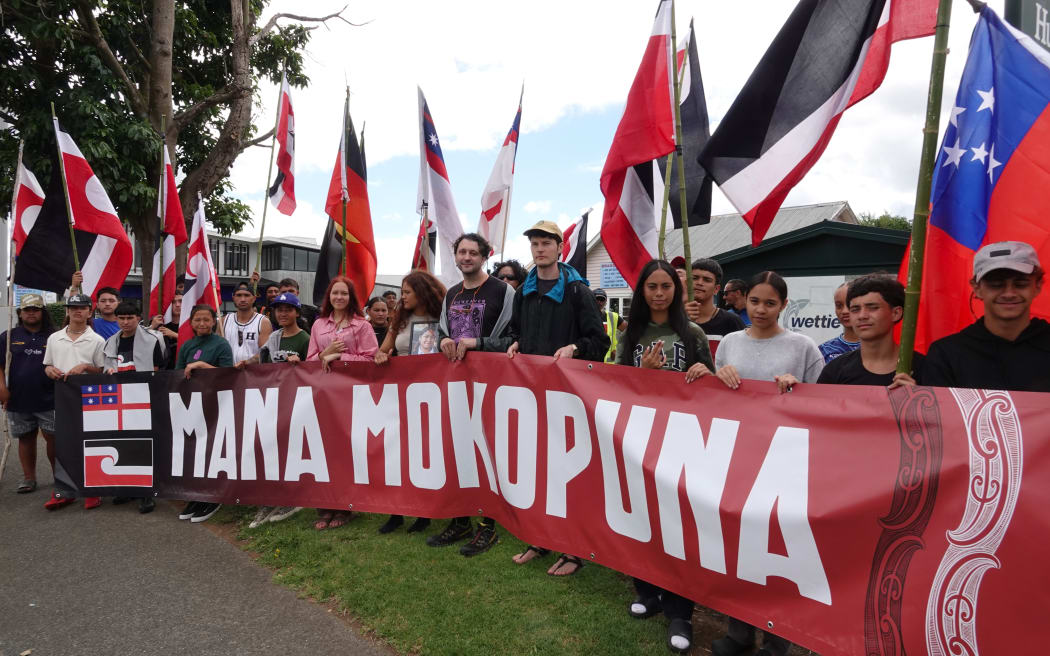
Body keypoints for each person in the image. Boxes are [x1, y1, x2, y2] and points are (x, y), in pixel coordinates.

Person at [703, 271, 821, 656]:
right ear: (744, 300)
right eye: (755, 301)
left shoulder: (804, 348)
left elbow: (826, 405)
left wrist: (799, 389)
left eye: (770, 303)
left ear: (784, 305)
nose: (761, 309)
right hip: (735, 459)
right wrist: (718, 376)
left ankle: (778, 640)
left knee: (777, 554)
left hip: (783, 462)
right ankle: (739, 631)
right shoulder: (730, 343)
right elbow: (716, 396)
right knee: (739, 549)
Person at [492, 220, 610, 576]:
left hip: (568, 398)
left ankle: (573, 550)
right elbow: (516, 331)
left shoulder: (577, 291)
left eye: (546, 243)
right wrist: (514, 341)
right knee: (537, 471)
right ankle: (541, 539)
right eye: (535, 244)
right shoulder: (525, 291)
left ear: (560, 247)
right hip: (531, 395)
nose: (540, 249)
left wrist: (575, 347)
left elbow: (599, 343)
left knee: (567, 475)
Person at [616, 260, 713, 654]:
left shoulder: (692, 332)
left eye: (666, 286)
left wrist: (703, 371)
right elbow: (616, 386)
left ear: (676, 290)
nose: (658, 293)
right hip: (640, 440)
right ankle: (648, 590)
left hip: (683, 442)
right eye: (651, 286)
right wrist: (643, 372)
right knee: (641, 516)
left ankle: (680, 610)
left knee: (678, 524)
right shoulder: (631, 333)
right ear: (641, 291)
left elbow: (713, 386)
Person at [429, 233, 516, 556]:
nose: (466, 257)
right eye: (461, 252)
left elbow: (514, 338)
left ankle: (488, 526)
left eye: (473, 252)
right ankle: (460, 518)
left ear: (485, 256)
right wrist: (442, 342)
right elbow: (441, 331)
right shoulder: (451, 293)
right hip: (455, 385)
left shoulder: (503, 291)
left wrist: (477, 343)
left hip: (490, 384)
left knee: (487, 455)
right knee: (456, 451)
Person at [374, 269, 447, 535]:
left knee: (423, 455)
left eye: (407, 292)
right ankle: (396, 512)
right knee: (397, 453)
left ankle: (424, 512)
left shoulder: (443, 318)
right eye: (401, 292)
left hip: (430, 395)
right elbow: (383, 351)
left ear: (422, 292)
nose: (402, 297)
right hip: (400, 395)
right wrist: (382, 356)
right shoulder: (400, 319)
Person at [923, 241, 1049, 391]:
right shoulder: (946, 355)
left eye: (1020, 284)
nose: (1009, 293)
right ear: (977, 288)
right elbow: (938, 413)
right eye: (996, 284)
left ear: (1038, 286)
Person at [308, 276, 378, 530]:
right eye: (335, 293)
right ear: (329, 297)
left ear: (351, 298)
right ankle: (324, 505)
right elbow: (309, 361)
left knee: (347, 451)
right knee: (325, 450)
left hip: (351, 395)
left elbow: (371, 361)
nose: (339, 297)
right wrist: (325, 355)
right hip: (324, 394)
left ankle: (346, 506)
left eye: (344, 294)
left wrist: (341, 356)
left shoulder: (362, 326)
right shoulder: (317, 325)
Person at [246, 291, 308, 528]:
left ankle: (292, 497)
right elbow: (262, 358)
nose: (282, 314)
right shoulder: (274, 337)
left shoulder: (304, 338)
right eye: (278, 310)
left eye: (288, 310)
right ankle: (272, 497)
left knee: (292, 447)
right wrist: (246, 363)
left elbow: (312, 369)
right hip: (273, 399)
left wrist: (299, 364)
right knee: (272, 447)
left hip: (297, 402)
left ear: (297, 313)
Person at [42, 293, 106, 511]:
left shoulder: (97, 340)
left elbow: (103, 371)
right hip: (62, 399)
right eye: (73, 307)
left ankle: (93, 491)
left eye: (82, 308)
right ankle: (64, 491)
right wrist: (49, 370)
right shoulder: (54, 338)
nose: (78, 311)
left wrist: (86, 367)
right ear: (67, 311)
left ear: (89, 311)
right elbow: (48, 365)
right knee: (64, 445)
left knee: (91, 444)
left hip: (89, 399)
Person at [102, 301, 164, 513]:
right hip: (120, 401)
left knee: (144, 447)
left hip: (144, 400)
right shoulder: (110, 342)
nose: (126, 322)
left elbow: (157, 370)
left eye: (130, 318)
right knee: (123, 444)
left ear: (138, 318)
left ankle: (147, 493)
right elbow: (107, 368)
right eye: (121, 318)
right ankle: (128, 488)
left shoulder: (153, 340)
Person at [174, 304, 233, 523]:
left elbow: (229, 375)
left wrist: (202, 365)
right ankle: (197, 494)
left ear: (213, 322)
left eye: (206, 320)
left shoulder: (221, 344)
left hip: (216, 403)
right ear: (191, 323)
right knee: (194, 450)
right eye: (197, 320)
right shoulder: (187, 345)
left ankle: (213, 495)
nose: (202, 324)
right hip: (192, 404)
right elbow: (177, 374)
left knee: (213, 448)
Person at [818, 275, 922, 387]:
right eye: (855, 309)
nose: (862, 316)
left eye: (872, 307)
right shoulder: (835, 369)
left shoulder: (925, 368)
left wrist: (917, 398)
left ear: (896, 313)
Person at [0, 294, 56, 495]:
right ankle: (29, 478)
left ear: (42, 312)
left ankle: (60, 477)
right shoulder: (8, 336)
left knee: (54, 438)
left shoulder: (55, 335)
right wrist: (2, 388)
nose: (31, 313)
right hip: (18, 398)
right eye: (27, 310)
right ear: (20, 313)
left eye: (35, 309)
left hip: (51, 398)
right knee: (25, 438)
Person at [684, 258, 745, 357]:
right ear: (687, 283)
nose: (699, 283)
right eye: (695, 278)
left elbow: (743, 360)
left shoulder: (732, 322)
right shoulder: (673, 319)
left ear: (716, 289)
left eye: (707, 280)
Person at [223, 281, 272, 369]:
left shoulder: (263, 322)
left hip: (253, 376)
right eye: (239, 295)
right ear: (233, 298)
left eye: (246, 295)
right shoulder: (224, 320)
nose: (242, 299)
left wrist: (247, 362)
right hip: (228, 375)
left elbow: (264, 353)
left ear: (253, 298)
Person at [818, 282, 861, 363]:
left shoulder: (878, 347)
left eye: (850, 304)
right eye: (839, 305)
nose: (844, 311)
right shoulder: (824, 349)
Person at [150, 291, 183, 369]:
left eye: (181, 301)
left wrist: (174, 335)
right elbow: (145, 344)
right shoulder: (158, 322)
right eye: (173, 302)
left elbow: (197, 342)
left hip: (183, 367)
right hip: (164, 369)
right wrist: (152, 327)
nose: (177, 305)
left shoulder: (190, 323)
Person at [594, 288, 625, 363]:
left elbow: (630, 332)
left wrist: (619, 350)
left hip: (608, 366)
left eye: (602, 300)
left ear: (605, 302)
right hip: (590, 363)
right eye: (596, 299)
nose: (599, 302)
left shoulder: (613, 317)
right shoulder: (584, 316)